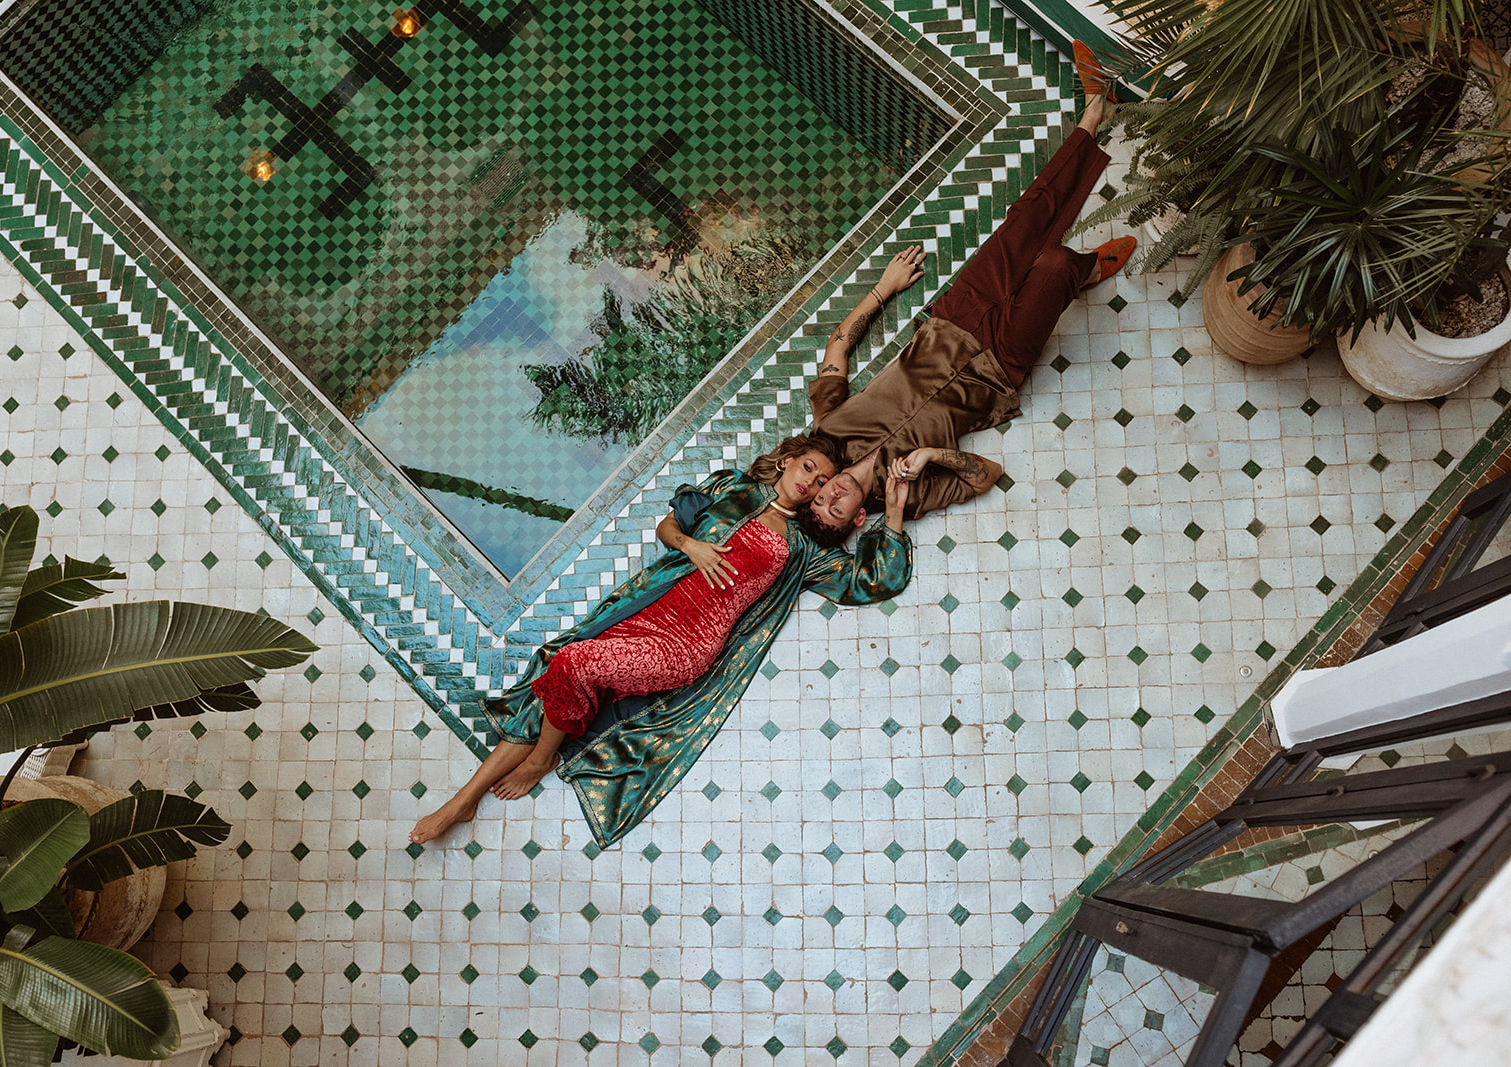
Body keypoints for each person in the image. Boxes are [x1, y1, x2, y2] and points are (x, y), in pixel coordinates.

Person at [409, 435, 913, 849]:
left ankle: (540, 761)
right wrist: (692, 545)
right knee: (555, 682)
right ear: (785, 463)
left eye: (823, 482)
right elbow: (668, 526)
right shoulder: (733, 490)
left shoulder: (803, 548)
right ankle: (463, 800)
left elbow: (875, 580)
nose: (813, 484)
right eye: (808, 468)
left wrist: (893, 510)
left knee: (573, 665)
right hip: (646, 613)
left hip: (686, 645)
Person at [802, 62, 1135, 545]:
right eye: (835, 510)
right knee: (1056, 263)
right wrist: (932, 458)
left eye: (819, 496)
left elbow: (836, 349)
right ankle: (1087, 272)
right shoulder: (907, 496)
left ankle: (1094, 113)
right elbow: (986, 475)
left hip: (952, 321)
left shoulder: (828, 430)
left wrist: (884, 289)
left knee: (1029, 216)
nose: (831, 494)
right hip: (997, 367)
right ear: (857, 519)